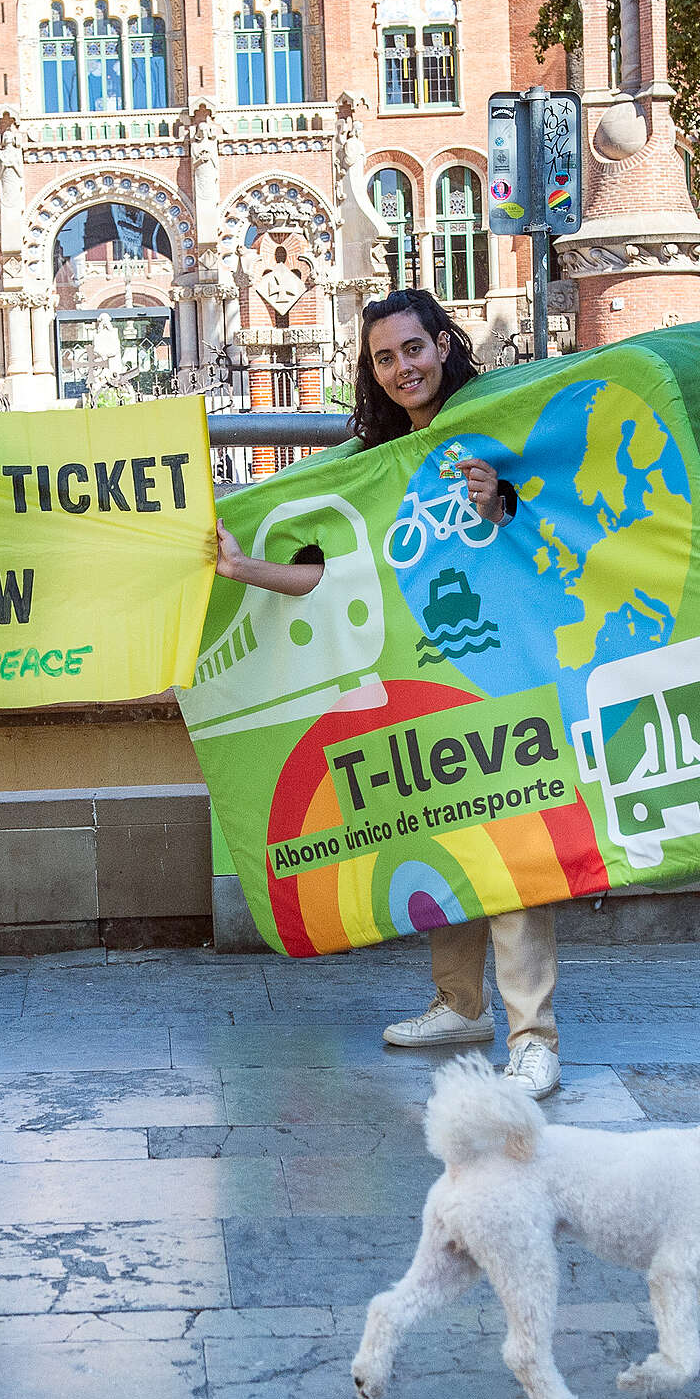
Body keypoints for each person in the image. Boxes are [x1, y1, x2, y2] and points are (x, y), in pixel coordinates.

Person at [213, 287, 567, 1101]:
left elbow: (561, 515)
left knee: (514, 848)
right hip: (422, 677)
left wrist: (503, 503)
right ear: (371, 373)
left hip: (499, 669)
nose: (403, 366)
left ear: (444, 344)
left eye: (413, 348)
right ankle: (460, 1004)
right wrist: (241, 569)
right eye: (384, 358)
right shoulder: (376, 468)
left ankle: (534, 1036)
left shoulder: (496, 424)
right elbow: (327, 573)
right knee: (442, 831)